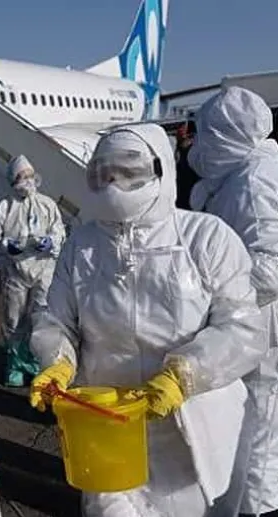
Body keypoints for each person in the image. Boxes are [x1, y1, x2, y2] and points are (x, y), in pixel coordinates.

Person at [29, 123, 265, 517]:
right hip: (107, 424)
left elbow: (242, 328)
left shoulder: (205, 238)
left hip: (190, 428)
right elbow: (56, 320)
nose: (114, 184)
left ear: (160, 169)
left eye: (128, 171)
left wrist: (185, 374)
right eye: (104, 173)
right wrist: (57, 361)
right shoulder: (82, 245)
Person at [189, 86, 278, 517]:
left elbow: (270, 268)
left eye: (207, 134)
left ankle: (257, 510)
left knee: (257, 431)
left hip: (260, 328)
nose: (199, 144)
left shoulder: (254, 183)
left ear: (226, 135)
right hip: (252, 323)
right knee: (255, 429)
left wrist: (209, 298)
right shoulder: (244, 173)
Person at [0, 155, 66, 387]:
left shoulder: (47, 205)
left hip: (43, 270)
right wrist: (5, 245)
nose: (27, 180)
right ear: (13, 180)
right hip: (16, 272)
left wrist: (51, 242)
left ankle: (37, 361)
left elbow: (59, 231)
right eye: (21, 176)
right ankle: (16, 364)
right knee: (14, 318)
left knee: (42, 317)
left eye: (29, 175)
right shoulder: (4, 207)